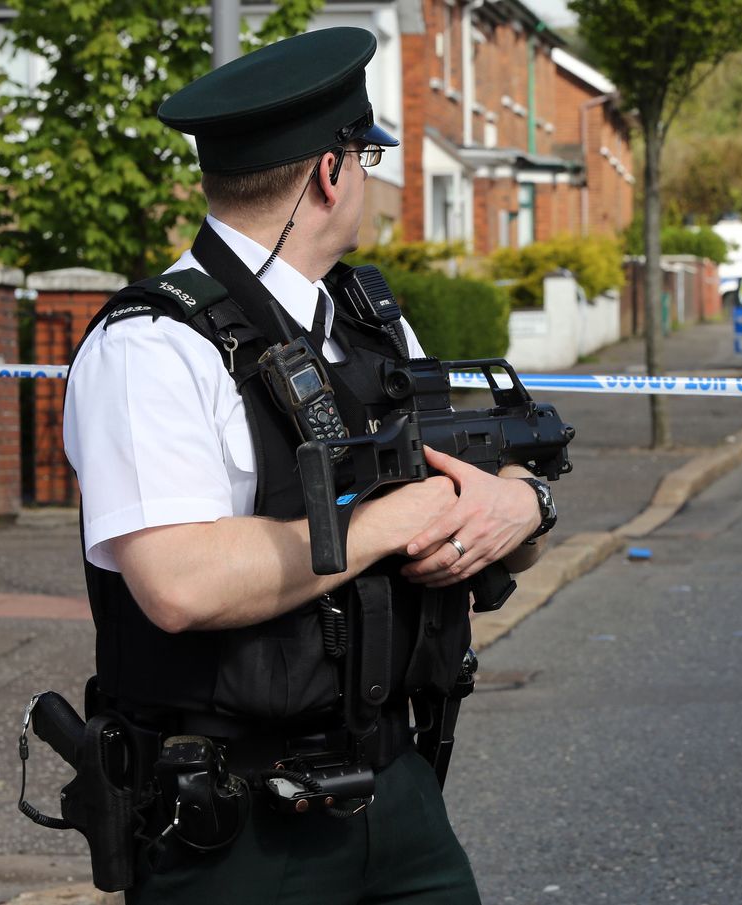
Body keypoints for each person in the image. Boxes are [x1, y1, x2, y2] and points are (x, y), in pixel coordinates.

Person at [62, 26, 556, 904]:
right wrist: (390, 519)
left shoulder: (370, 323)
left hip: (396, 790)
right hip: (239, 828)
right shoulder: (152, 347)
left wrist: (522, 509)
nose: (366, 177)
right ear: (333, 173)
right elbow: (177, 582)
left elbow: (468, 473)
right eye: (365, 157)